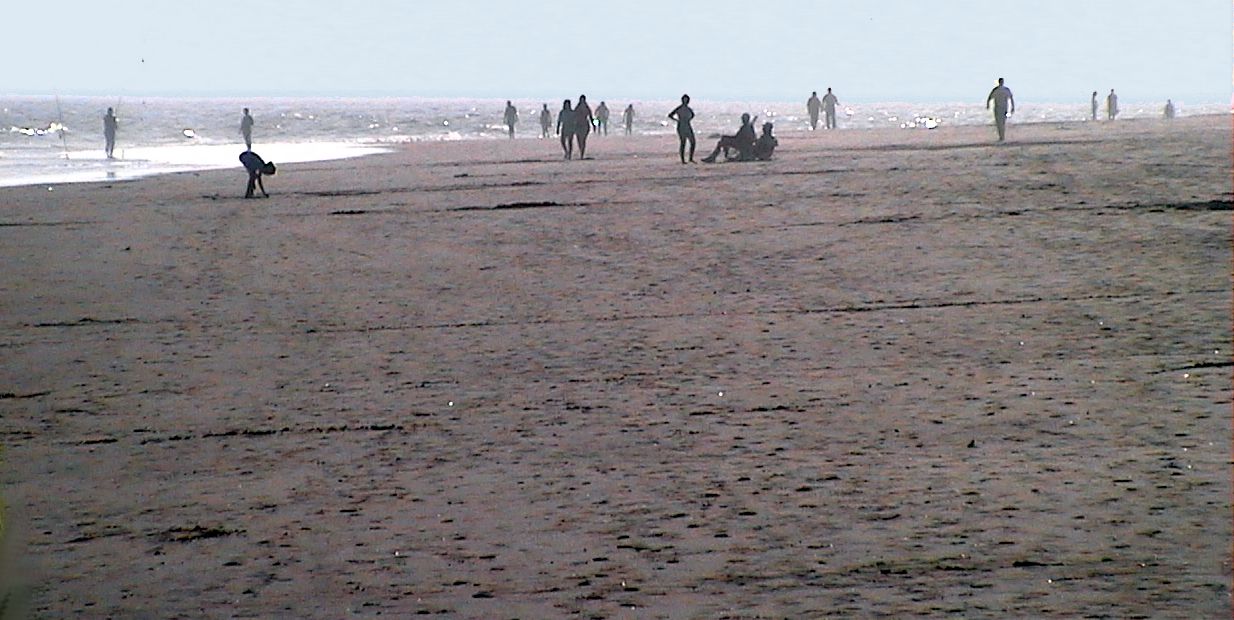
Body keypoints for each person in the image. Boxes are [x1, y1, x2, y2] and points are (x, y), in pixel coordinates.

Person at [667, 94, 696, 164]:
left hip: (688, 125)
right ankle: (683, 160)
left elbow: (693, 115)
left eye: (687, 100)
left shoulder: (689, 109)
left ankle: (690, 158)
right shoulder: (679, 108)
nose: (685, 101)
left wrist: (688, 119)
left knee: (693, 142)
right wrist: (677, 120)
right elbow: (670, 115)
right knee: (683, 142)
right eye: (684, 100)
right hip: (681, 126)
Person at [985, 78, 1015, 142]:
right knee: (1001, 123)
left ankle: (1001, 137)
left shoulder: (998, 90)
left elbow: (990, 98)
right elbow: (1011, 99)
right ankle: (1001, 136)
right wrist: (1012, 107)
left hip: (1000, 108)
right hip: (1002, 108)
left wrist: (988, 105)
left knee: (1000, 123)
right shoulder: (1005, 90)